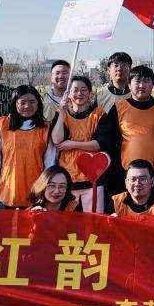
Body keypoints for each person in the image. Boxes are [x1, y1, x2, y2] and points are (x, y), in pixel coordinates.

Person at [0, 85, 56, 208]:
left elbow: (50, 165)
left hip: (36, 196)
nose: (27, 106)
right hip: (6, 195)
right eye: (22, 102)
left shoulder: (46, 128)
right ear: (14, 104)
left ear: (38, 104)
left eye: (32, 102)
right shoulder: (1, 125)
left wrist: (48, 193)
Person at [52, 75, 114, 212]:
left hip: (93, 176)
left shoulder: (99, 114)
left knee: (94, 219)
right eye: (75, 90)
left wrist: (72, 144)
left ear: (89, 92)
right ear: (68, 93)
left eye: (83, 90)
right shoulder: (61, 114)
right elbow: (57, 140)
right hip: (68, 176)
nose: (79, 93)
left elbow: (100, 144)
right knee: (68, 221)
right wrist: (62, 113)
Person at [110, 65, 154, 189]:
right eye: (137, 81)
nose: (141, 85)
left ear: (153, 84)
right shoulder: (119, 108)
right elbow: (111, 141)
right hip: (126, 170)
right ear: (129, 85)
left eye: (146, 81)